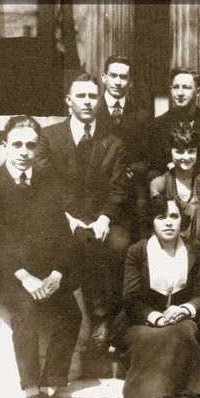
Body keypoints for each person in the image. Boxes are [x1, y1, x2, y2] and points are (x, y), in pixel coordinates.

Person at [0, 115, 81, 398]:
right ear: (4, 146)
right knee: (27, 313)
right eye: (17, 144)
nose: (23, 151)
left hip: (43, 275)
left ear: (38, 149)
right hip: (4, 274)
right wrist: (25, 277)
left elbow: (63, 236)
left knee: (70, 315)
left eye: (31, 145)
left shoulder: (49, 183)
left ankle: (46, 395)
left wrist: (57, 275)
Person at [35, 72, 131, 347]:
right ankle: (98, 319)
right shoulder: (50, 137)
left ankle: (117, 320)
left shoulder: (113, 142)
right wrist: (68, 219)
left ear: (99, 101)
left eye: (92, 96)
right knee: (82, 243)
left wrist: (104, 218)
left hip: (101, 217)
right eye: (81, 96)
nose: (87, 102)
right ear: (69, 101)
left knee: (120, 244)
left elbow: (117, 189)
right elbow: (45, 185)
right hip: (61, 216)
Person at [117, 195, 200, 398]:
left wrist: (186, 308)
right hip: (143, 321)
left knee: (179, 333)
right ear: (152, 222)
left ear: (182, 220)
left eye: (174, 216)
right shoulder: (138, 251)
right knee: (151, 337)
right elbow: (131, 297)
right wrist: (156, 317)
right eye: (161, 217)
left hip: (182, 319)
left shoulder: (194, 249)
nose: (168, 223)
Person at [149, 123, 200, 257]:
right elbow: (158, 222)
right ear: (170, 152)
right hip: (169, 249)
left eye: (191, 151)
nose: (186, 157)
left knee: (199, 209)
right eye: (179, 151)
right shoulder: (159, 184)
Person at [97, 55, 151, 236]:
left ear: (131, 82)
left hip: (129, 189)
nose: (118, 82)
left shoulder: (141, 116)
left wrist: (131, 168)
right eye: (113, 76)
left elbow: (146, 157)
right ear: (104, 77)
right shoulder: (92, 111)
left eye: (123, 77)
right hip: (97, 187)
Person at [147, 67, 200, 176]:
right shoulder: (158, 124)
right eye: (175, 87)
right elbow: (155, 160)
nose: (180, 93)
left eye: (186, 87)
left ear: (198, 92)